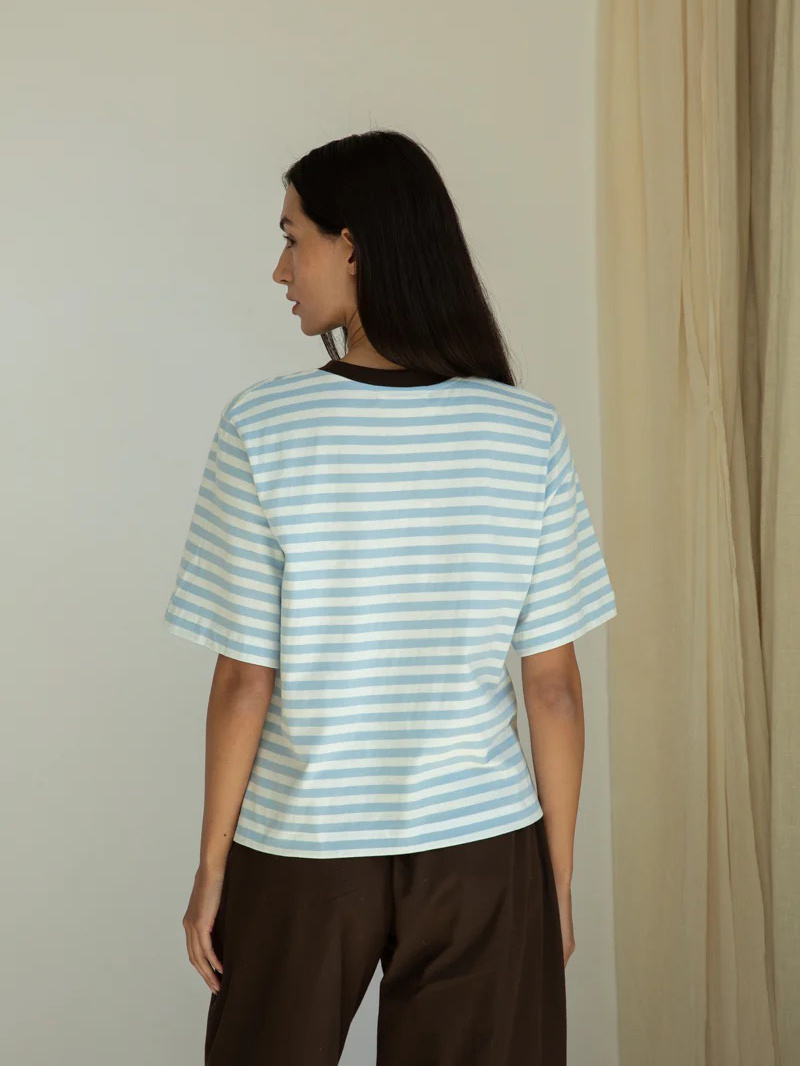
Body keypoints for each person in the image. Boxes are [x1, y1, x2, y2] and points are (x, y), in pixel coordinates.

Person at [163, 129, 618, 1066]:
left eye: (292, 239)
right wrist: (555, 882)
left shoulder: (263, 427)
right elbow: (554, 689)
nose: (280, 269)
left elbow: (246, 679)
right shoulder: (525, 431)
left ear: (352, 245)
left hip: (303, 841)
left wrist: (212, 867)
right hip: (483, 849)